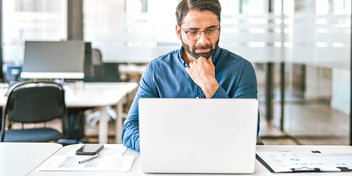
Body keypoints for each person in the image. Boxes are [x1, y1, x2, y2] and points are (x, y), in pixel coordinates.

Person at [122, 0, 259, 152]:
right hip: (170, 157)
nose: (204, 41)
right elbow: (130, 128)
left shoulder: (241, 69)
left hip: (224, 155)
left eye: (211, 30)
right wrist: (158, 149)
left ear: (220, 28)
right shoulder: (157, 70)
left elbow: (248, 133)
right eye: (193, 32)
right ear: (178, 31)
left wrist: (211, 86)